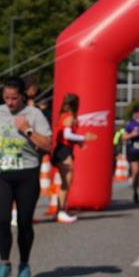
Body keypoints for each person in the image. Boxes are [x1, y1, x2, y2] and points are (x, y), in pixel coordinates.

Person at [0, 77, 52, 277]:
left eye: (14, 98)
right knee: (2, 220)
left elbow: (48, 144)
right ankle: (4, 263)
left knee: (24, 222)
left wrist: (27, 130)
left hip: (26, 174)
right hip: (0, 174)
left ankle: (24, 264)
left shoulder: (34, 114)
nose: (10, 102)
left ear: (23, 96)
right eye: (6, 98)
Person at [51, 93, 98, 223]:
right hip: (64, 151)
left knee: (66, 182)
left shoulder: (65, 116)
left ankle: (60, 210)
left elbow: (68, 135)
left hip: (64, 150)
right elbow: (67, 135)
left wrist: (80, 143)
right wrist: (84, 138)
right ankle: (60, 211)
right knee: (66, 182)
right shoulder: (69, 117)